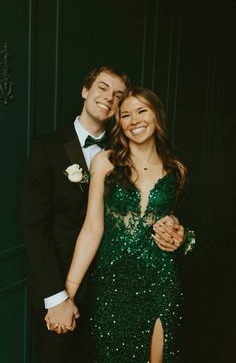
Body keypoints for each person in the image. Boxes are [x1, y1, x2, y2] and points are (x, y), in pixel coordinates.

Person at [22, 67, 185, 363]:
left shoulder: (127, 153)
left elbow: (160, 215)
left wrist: (178, 231)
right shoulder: (47, 148)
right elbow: (36, 229)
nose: (109, 98)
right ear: (86, 91)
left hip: (119, 286)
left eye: (117, 95)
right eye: (102, 88)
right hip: (62, 285)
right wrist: (60, 296)